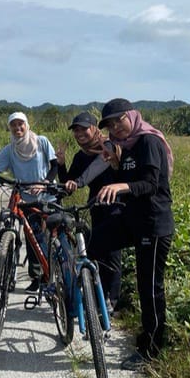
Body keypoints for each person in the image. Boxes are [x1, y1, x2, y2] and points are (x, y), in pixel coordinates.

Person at [94, 98, 175, 371]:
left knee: (150, 287)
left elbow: (151, 184)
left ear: (132, 116)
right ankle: (100, 301)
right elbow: (129, 172)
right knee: (97, 242)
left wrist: (120, 185)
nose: (116, 127)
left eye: (120, 120)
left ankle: (151, 350)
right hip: (134, 221)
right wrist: (117, 164)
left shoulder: (148, 142)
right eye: (110, 125)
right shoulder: (126, 147)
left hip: (154, 224)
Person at [57, 112, 129, 315]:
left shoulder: (108, 146)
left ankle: (112, 301)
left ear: (94, 128)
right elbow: (69, 184)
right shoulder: (80, 156)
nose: (79, 133)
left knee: (112, 255)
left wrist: (78, 181)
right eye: (76, 130)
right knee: (95, 253)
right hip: (95, 207)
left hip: (116, 206)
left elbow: (92, 172)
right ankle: (97, 296)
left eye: (83, 128)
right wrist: (61, 165)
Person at [0, 112, 58, 294]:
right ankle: (38, 277)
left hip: (46, 196)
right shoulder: (11, 149)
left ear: (27, 125)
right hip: (25, 198)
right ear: (10, 128)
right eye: (14, 125)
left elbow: (55, 165)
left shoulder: (41, 141)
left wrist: (45, 184)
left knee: (49, 236)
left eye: (21, 124)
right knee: (32, 237)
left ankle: (56, 274)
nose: (18, 128)